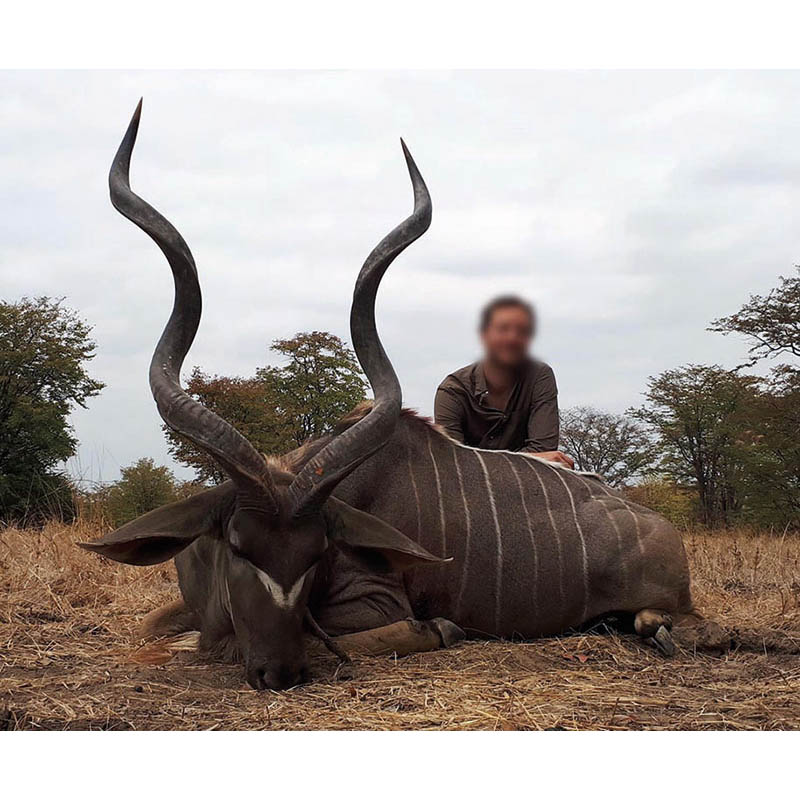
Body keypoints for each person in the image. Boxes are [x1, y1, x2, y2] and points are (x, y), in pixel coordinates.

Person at [434, 295, 574, 468]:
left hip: (528, 482)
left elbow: (544, 448)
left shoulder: (539, 376)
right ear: (484, 335)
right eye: (503, 329)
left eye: (522, 331)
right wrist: (532, 459)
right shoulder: (452, 391)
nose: (512, 338)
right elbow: (452, 462)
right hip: (470, 489)